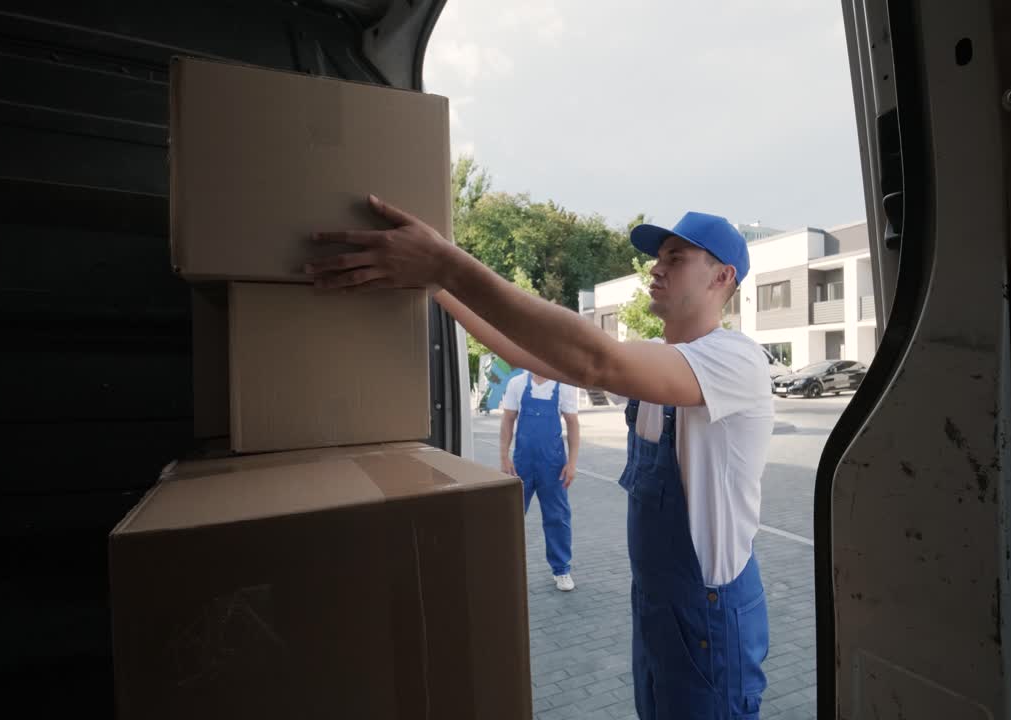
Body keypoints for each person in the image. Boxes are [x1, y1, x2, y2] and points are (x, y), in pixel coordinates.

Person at [306, 199, 774, 720]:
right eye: (657, 256)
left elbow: (594, 360)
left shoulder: (737, 361)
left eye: (676, 256)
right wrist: (437, 287)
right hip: (660, 609)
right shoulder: (660, 365)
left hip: (710, 618)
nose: (656, 266)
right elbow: (529, 353)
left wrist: (446, 262)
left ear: (722, 277)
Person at [500, 370, 580, 592]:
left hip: (553, 466)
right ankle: (505, 567)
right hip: (521, 464)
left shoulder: (564, 386)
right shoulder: (516, 383)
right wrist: (504, 457)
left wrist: (572, 463)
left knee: (557, 517)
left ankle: (562, 570)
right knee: (511, 516)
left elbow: (573, 424)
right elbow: (507, 420)